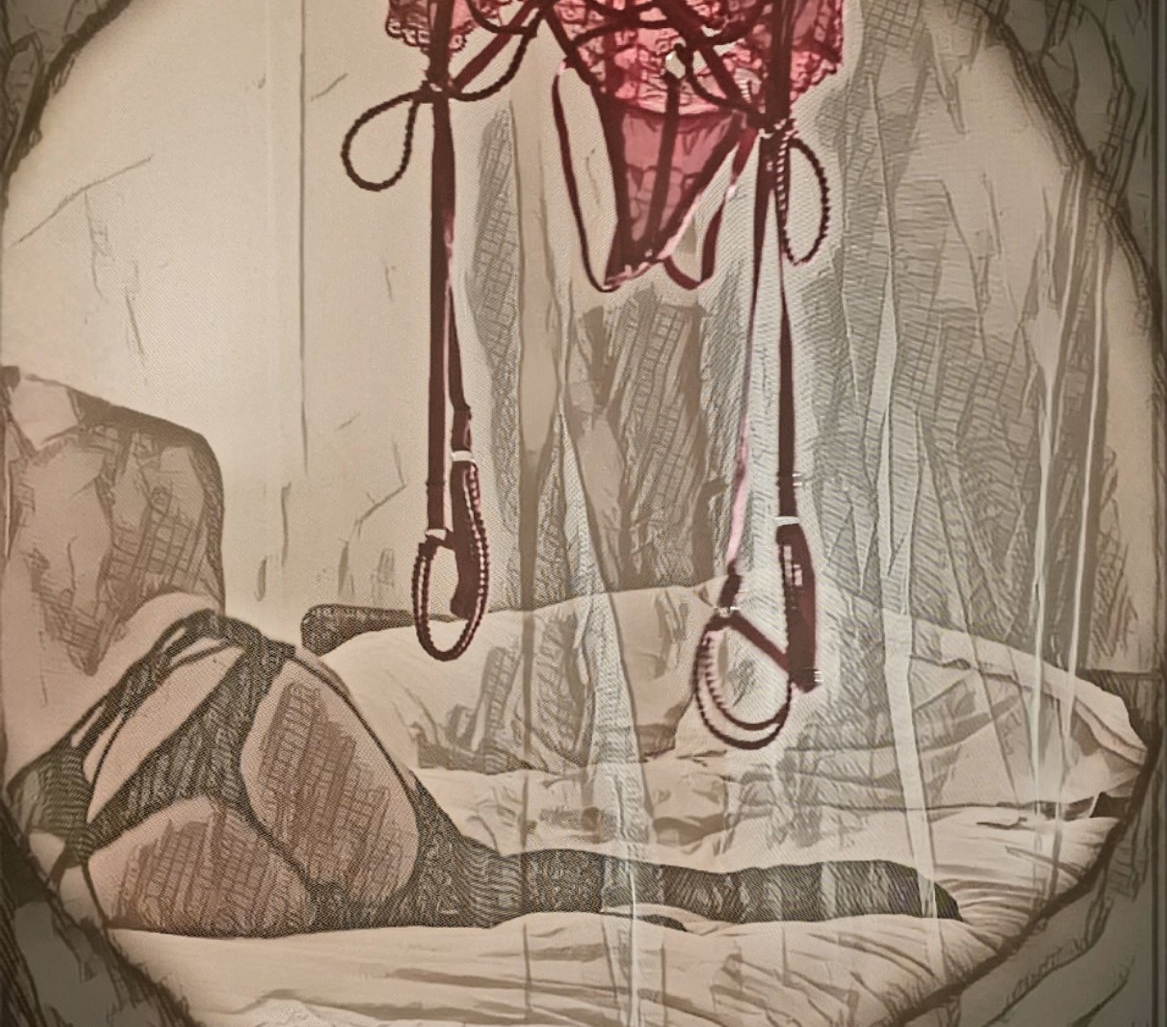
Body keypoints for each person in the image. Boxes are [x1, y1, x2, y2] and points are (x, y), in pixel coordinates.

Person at [2, 374, 958, 938]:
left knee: (475, 889)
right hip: (187, 709)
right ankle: (787, 895)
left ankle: (801, 895)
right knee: (476, 887)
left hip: (147, 764)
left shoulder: (106, 470)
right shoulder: (134, 479)